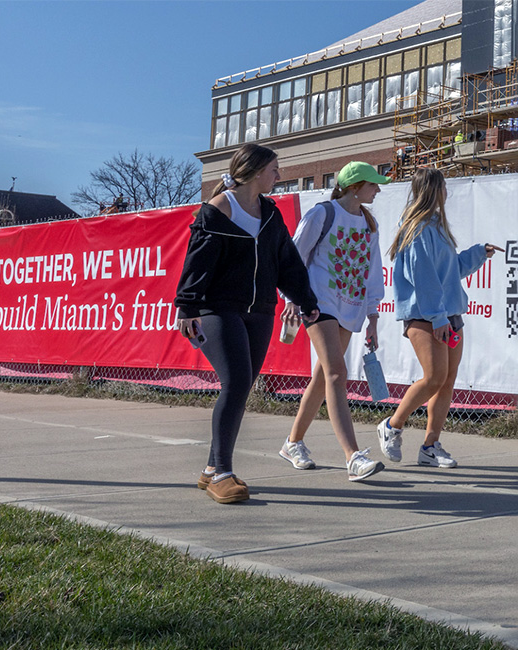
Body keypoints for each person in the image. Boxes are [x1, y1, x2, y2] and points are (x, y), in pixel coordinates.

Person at [174, 143, 319, 504]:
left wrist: (305, 299)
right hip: (216, 308)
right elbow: (197, 262)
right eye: (274, 169)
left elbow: (287, 262)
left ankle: (210, 469)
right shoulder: (219, 209)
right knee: (236, 381)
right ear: (256, 172)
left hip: (260, 310)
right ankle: (222, 472)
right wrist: (187, 307)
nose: (279, 175)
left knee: (243, 384)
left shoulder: (270, 213)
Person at [377, 168, 504, 468]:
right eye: (444, 187)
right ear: (433, 190)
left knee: (446, 381)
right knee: (434, 377)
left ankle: (430, 446)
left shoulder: (436, 225)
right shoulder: (418, 228)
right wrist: (437, 317)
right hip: (427, 316)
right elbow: (424, 279)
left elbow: (449, 272)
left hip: (447, 314)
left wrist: (478, 254)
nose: (447, 192)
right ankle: (392, 426)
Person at [279, 161, 390, 481]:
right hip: (318, 305)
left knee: (323, 377)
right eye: (373, 185)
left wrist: (372, 316)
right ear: (355, 187)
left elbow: (371, 272)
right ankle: (352, 456)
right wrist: (292, 299)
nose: (378, 190)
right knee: (337, 373)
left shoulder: (369, 222)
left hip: (351, 308)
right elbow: (295, 258)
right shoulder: (322, 214)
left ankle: (292, 442)